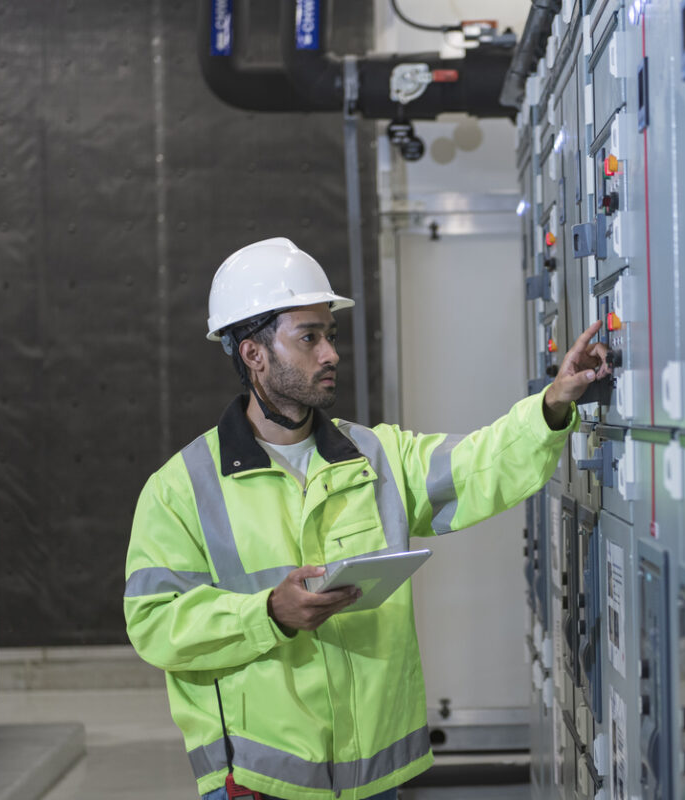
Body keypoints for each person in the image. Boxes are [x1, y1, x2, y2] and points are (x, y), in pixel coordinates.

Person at [123, 237, 610, 800]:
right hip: (258, 782)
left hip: (372, 781)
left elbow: (482, 465)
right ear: (253, 353)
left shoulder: (376, 457)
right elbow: (155, 625)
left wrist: (552, 403)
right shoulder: (180, 488)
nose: (330, 353)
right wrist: (268, 613)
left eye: (330, 335)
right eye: (308, 337)